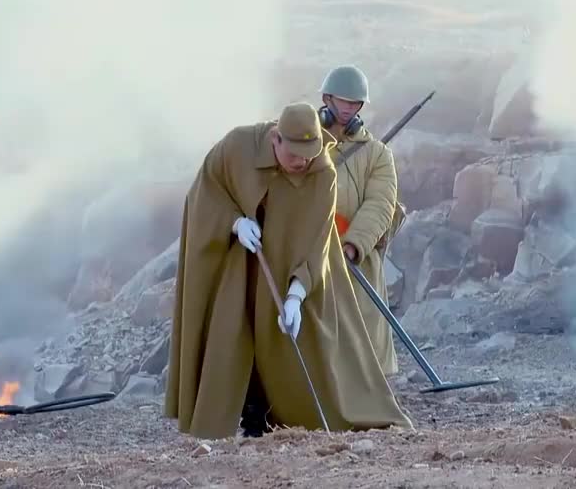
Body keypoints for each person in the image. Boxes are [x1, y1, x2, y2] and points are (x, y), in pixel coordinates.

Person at [164, 102, 412, 439]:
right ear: (275, 140)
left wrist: (296, 294)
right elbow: (203, 195)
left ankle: (276, 413)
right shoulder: (237, 147)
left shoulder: (321, 173)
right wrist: (234, 223)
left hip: (289, 268)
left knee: (288, 342)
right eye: (294, 155)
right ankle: (240, 413)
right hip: (235, 266)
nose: (302, 163)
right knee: (231, 333)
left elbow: (315, 242)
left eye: (309, 155)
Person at [317, 65, 400, 376]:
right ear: (326, 99)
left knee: (363, 344)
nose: (349, 108)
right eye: (343, 101)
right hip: (307, 255)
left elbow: (381, 203)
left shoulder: (377, 154)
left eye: (355, 103)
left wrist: (352, 246)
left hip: (354, 258)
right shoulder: (302, 143)